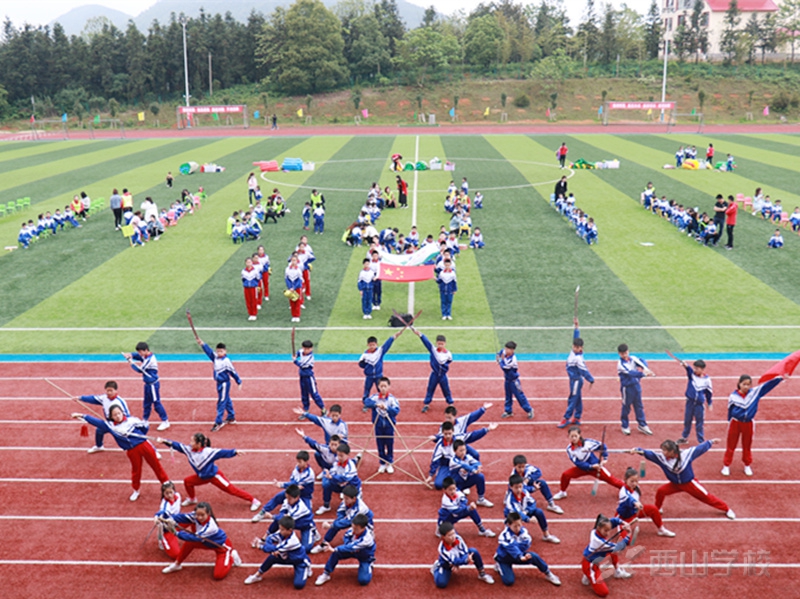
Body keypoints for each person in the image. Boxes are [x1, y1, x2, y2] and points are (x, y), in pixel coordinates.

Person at [71, 404, 169, 501]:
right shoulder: (110, 426)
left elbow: (145, 427)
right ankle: (136, 490)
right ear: (111, 417)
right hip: (131, 450)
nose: (118, 416)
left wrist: (136, 437)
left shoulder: (132, 420)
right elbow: (97, 422)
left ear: (122, 412)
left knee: (156, 465)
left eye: (119, 413)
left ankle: (166, 485)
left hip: (144, 445)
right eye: (115, 415)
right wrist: (82, 415)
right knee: (136, 470)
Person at [632, 438, 735, 519]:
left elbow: (699, 449)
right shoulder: (662, 458)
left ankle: (726, 509)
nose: (662, 452)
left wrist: (711, 442)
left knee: (706, 497)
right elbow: (649, 453)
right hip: (675, 484)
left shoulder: (686, 455)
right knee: (661, 491)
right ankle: (657, 509)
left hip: (689, 484)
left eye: (665, 450)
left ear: (672, 451)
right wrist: (637, 450)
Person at [158, 432, 261, 512]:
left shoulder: (208, 452)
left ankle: (253, 500)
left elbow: (222, 453)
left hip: (214, 476)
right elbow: (178, 445)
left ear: (198, 444)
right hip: (202, 477)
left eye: (192, 441)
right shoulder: (189, 450)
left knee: (232, 490)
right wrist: (164, 441)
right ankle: (192, 498)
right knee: (188, 482)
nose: (190, 443)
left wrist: (234, 452)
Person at [161, 502, 242, 579]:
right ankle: (177, 564)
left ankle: (232, 555)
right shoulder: (195, 516)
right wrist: (163, 517)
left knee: (218, 575)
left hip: (221, 547)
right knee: (189, 543)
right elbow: (181, 517)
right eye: (197, 514)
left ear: (208, 513)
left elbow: (194, 537)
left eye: (202, 515)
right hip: (206, 542)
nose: (199, 517)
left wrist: (176, 533)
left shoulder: (211, 527)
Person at [722, 373, 783, 476]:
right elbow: (730, 410)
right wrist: (729, 422)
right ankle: (726, 465)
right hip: (735, 423)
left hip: (748, 424)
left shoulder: (755, 393)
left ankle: (747, 465)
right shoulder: (733, 396)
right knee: (731, 445)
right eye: (744, 384)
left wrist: (779, 379)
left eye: (748, 384)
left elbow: (767, 386)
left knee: (747, 445)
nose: (746, 387)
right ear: (739, 384)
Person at [553, 426, 623, 501]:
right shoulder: (569, 449)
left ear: (579, 435)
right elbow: (578, 463)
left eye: (575, 436)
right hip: (583, 468)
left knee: (612, 480)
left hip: (596, 468)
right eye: (571, 436)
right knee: (565, 475)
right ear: (568, 437)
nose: (574, 438)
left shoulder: (588, 443)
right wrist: (590, 466)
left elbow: (602, 446)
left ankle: (626, 488)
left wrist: (605, 458)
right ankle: (562, 492)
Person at [494, 512, 561, 587]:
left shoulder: (524, 532)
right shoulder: (503, 536)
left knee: (534, 556)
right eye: (515, 526)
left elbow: (526, 543)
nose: (518, 528)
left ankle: (548, 573)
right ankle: (499, 564)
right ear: (509, 525)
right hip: (504, 558)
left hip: (519, 556)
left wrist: (522, 556)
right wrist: (520, 555)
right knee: (509, 581)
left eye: (519, 525)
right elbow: (511, 547)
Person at [246, 515, 311, 588]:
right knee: (272, 557)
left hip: (299, 560)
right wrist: (271, 548)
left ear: (289, 530)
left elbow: (275, 548)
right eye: (280, 529)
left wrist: (261, 546)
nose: (280, 531)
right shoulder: (281, 533)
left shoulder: (292, 541)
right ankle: (257, 575)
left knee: (299, 585)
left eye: (282, 529)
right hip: (286, 556)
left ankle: (305, 567)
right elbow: (270, 538)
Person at [253, 451, 315, 524]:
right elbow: (293, 480)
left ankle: (313, 530)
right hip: (294, 491)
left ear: (306, 462)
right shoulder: (297, 468)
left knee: (307, 515)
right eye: (297, 462)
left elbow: (295, 483)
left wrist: (282, 485)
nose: (298, 464)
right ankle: (263, 512)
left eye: (300, 462)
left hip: (304, 495)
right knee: (278, 497)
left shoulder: (309, 474)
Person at [315, 513, 375, 586]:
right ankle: (326, 573)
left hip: (364, 555)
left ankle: (369, 564)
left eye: (356, 529)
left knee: (363, 580)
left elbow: (352, 546)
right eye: (353, 527)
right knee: (336, 553)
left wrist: (336, 549)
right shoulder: (352, 529)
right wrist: (345, 545)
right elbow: (346, 537)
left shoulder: (367, 538)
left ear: (363, 528)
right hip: (352, 550)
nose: (353, 530)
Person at [195, 337, 242, 431]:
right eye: (218, 351)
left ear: (225, 351)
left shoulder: (226, 361)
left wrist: (238, 381)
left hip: (224, 384)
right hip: (219, 383)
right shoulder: (215, 357)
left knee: (221, 402)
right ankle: (231, 417)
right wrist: (202, 344)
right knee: (226, 399)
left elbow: (233, 372)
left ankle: (218, 422)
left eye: (221, 351)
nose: (219, 353)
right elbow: (209, 352)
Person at [581, 514, 632, 596]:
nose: (608, 533)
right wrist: (628, 534)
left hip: (592, 558)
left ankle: (617, 571)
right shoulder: (601, 543)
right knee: (604, 593)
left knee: (612, 552)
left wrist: (623, 522)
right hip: (590, 566)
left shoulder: (595, 531)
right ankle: (588, 575)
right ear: (599, 528)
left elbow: (612, 521)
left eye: (609, 530)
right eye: (606, 531)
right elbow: (620, 547)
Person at [123, 342, 170, 431]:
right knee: (146, 403)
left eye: (140, 352)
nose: (140, 354)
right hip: (148, 384)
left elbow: (140, 370)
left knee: (156, 404)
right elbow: (138, 356)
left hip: (153, 385)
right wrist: (130, 355)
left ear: (146, 350)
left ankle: (165, 421)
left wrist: (130, 362)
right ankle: (145, 420)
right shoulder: (145, 356)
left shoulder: (150, 359)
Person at [616, 467, 675, 537]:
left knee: (653, 509)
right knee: (626, 540)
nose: (634, 483)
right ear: (625, 480)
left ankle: (661, 530)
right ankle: (619, 526)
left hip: (635, 511)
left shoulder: (636, 487)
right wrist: (636, 503)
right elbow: (630, 499)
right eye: (632, 481)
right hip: (624, 517)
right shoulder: (623, 492)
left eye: (636, 481)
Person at [432, 522, 495, 587]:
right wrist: (465, 560)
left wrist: (464, 559)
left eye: (453, 533)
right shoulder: (442, 549)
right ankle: (436, 567)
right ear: (443, 537)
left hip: (458, 558)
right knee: (441, 584)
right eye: (450, 535)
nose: (453, 536)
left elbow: (464, 551)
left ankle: (482, 574)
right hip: (447, 564)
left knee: (474, 552)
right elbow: (454, 560)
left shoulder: (458, 538)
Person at [75, 380, 130, 454]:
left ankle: (133, 446)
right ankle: (99, 446)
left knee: (122, 438)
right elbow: (93, 399)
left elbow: (127, 415)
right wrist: (80, 398)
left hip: (118, 423)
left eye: (111, 390)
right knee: (99, 431)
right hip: (108, 421)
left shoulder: (120, 402)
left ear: (116, 390)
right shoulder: (104, 398)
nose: (109, 393)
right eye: (107, 390)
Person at [315, 484, 373, 552]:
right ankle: (324, 543)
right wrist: (339, 520)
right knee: (337, 525)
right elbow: (340, 511)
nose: (344, 500)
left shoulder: (360, 508)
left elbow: (347, 522)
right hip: (353, 522)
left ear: (354, 498)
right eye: (344, 498)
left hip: (363, 526)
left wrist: (331, 526)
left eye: (347, 498)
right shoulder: (346, 501)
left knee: (357, 544)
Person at [505, 474, 560, 543]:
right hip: (513, 515)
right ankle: (510, 533)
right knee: (515, 527)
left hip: (524, 512)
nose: (519, 489)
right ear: (511, 487)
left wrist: (527, 511)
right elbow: (517, 513)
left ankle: (546, 535)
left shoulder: (525, 492)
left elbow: (532, 503)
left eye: (520, 487)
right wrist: (528, 519)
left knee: (539, 512)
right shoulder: (510, 500)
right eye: (516, 487)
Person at [560, 319, 594, 428]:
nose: (575, 348)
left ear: (581, 348)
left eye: (577, 347)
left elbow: (584, 370)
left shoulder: (578, 359)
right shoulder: (574, 352)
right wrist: (576, 327)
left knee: (572, 399)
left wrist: (591, 379)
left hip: (576, 380)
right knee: (578, 398)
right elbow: (575, 338)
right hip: (573, 379)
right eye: (574, 346)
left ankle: (566, 418)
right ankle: (577, 417)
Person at [364, 377, 401, 474]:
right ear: (378, 387)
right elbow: (366, 402)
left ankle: (389, 462)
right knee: (380, 444)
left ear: (389, 387)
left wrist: (387, 408)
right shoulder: (375, 397)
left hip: (389, 426)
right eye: (381, 386)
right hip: (378, 426)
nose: (383, 388)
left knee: (389, 444)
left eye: (385, 386)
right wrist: (376, 405)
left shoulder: (392, 399)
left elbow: (396, 411)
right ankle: (382, 463)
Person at [617, 343, 654, 436]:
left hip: (636, 386)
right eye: (622, 354)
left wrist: (646, 369)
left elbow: (642, 361)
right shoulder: (620, 364)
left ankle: (642, 424)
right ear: (619, 354)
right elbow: (631, 373)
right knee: (626, 406)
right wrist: (644, 374)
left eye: (626, 353)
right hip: (627, 388)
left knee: (639, 406)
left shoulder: (633, 358)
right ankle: (625, 425)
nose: (625, 355)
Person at [414, 328, 453, 412]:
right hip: (434, 374)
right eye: (439, 344)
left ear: (445, 344)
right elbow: (426, 342)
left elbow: (449, 361)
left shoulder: (448, 354)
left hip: (443, 375)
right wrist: (420, 335)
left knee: (446, 389)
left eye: (442, 344)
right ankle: (427, 404)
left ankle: (450, 403)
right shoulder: (433, 350)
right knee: (430, 389)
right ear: (436, 343)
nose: (440, 345)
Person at [676, 358, 713, 444]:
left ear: (703, 369)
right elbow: (688, 369)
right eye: (694, 368)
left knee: (699, 423)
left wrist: (709, 402)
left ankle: (700, 440)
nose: (695, 370)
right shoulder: (692, 375)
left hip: (699, 405)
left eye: (697, 368)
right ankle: (684, 437)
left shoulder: (707, 380)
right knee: (687, 420)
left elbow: (709, 392)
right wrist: (685, 365)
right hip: (690, 403)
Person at [317, 443, 361, 514]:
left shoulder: (350, 467)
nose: (339, 458)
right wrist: (329, 475)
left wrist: (332, 477)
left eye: (341, 456)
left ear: (347, 455)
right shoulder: (337, 461)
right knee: (326, 484)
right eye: (338, 455)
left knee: (355, 509)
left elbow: (345, 478)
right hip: (340, 485)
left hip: (351, 487)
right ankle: (326, 505)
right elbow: (333, 471)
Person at [497, 341, 534, 420]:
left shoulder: (512, 359)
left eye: (508, 349)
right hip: (507, 379)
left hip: (514, 381)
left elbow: (505, 366)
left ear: (512, 350)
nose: (506, 350)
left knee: (520, 396)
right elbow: (500, 352)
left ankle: (529, 410)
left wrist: (499, 361)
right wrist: (498, 355)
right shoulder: (504, 351)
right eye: (506, 348)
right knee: (508, 396)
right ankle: (508, 411)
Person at [294, 339, 326, 414]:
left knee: (314, 394)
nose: (306, 350)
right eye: (304, 348)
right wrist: (296, 354)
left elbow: (302, 365)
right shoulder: (302, 351)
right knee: (304, 394)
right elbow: (299, 352)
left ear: (311, 349)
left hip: (309, 378)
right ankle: (306, 410)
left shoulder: (310, 357)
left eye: (308, 349)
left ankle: (323, 409)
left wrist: (295, 360)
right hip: (302, 377)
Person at [154, 481, 182, 559]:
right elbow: (161, 512)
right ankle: (162, 539)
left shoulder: (178, 496)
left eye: (171, 492)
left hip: (177, 521)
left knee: (194, 518)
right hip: (168, 527)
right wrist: (156, 517)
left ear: (174, 491)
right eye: (167, 493)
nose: (169, 495)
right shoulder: (165, 504)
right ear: (163, 494)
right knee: (176, 555)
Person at [285, 253, 304, 322]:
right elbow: (286, 279)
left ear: (297, 261)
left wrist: (294, 287)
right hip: (290, 288)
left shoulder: (298, 270)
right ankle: (293, 315)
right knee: (292, 302)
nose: (293, 262)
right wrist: (290, 287)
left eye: (295, 260)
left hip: (297, 288)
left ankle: (297, 315)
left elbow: (299, 280)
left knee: (297, 301)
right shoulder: (287, 269)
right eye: (292, 260)